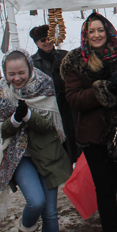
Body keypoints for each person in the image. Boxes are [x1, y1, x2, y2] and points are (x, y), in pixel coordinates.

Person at [61, 12, 117, 232]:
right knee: (105, 192)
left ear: (108, 32)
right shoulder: (76, 61)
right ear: (85, 35)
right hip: (95, 138)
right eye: (91, 31)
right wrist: (103, 90)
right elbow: (73, 98)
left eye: (100, 30)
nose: (96, 35)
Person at [0, 48, 72, 232]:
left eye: (21, 73)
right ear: (4, 72)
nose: (17, 78)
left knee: (50, 211)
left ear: (29, 67)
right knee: (36, 202)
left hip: (46, 152)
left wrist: (28, 116)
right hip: (19, 155)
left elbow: (49, 126)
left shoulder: (43, 84)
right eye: (11, 74)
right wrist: (16, 119)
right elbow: (2, 131)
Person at [29, 25, 80, 164]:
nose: (47, 42)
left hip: (70, 104)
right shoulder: (32, 63)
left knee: (75, 133)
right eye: (42, 40)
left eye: (49, 38)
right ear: (36, 43)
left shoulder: (65, 55)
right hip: (50, 106)